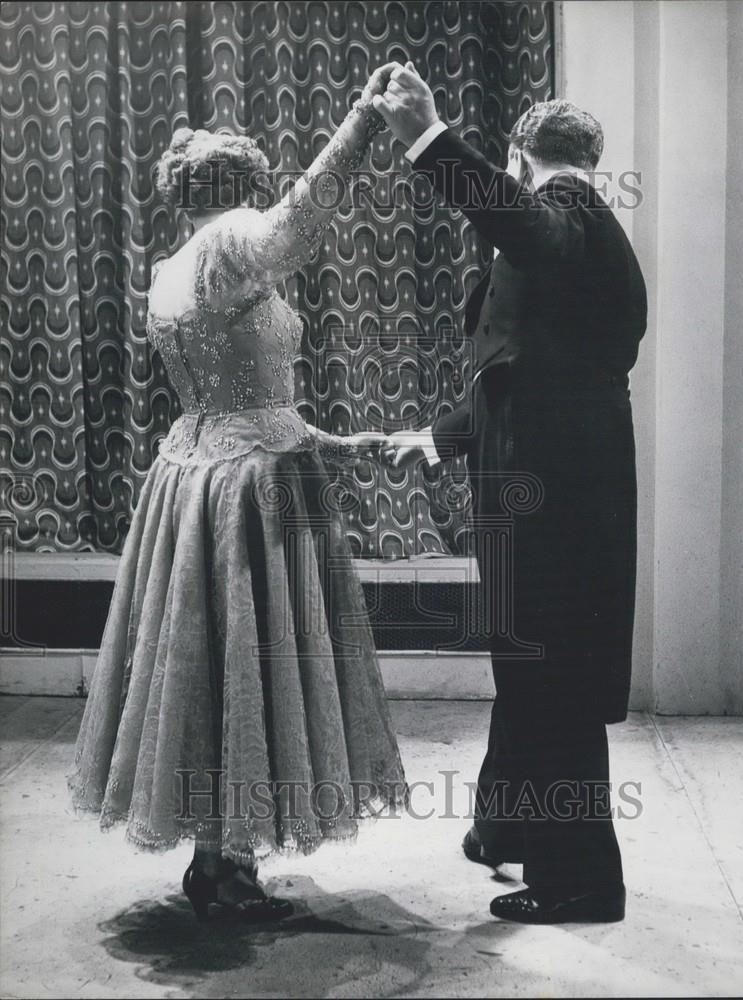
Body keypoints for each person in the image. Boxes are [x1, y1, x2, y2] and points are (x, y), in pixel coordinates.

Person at [68, 64, 406, 923]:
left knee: (209, 665)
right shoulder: (232, 244)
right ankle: (228, 866)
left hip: (195, 473)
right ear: (244, 187)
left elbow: (238, 395)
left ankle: (218, 859)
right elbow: (302, 219)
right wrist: (364, 124)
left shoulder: (169, 266)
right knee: (256, 664)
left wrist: (333, 437)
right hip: (255, 488)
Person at [377, 66, 647, 924]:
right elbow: (521, 364)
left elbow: (527, 228)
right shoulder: (578, 232)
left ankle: (581, 882)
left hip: (556, 502)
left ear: (516, 156)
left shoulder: (566, 219)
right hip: (552, 488)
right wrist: (441, 435)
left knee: (550, 672)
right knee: (528, 661)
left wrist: (427, 137)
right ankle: (505, 827)